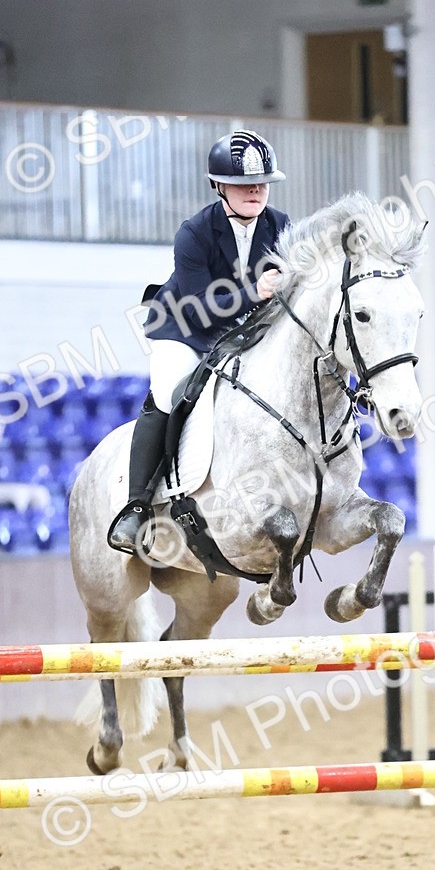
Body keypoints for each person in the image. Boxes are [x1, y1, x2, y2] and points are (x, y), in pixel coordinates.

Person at [109, 128, 290, 552]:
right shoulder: (193, 232)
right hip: (184, 328)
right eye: (244, 184)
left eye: (262, 182)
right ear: (219, 186)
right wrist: (255, 292)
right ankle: (136, 507)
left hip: (241, 334)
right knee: (169, 392)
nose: (256, 190)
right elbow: (200, 309)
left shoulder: (281, 226)